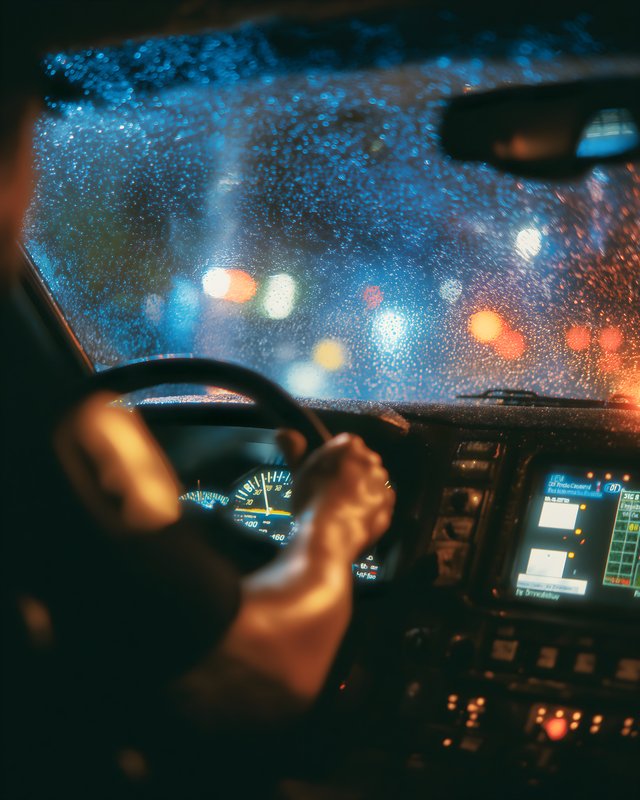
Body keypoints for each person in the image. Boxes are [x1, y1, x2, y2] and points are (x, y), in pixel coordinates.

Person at [0, 3, 394, 797]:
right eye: (30, 140)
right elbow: (256, 673)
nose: (34, 180)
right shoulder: (36, 417)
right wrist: (330, 528)